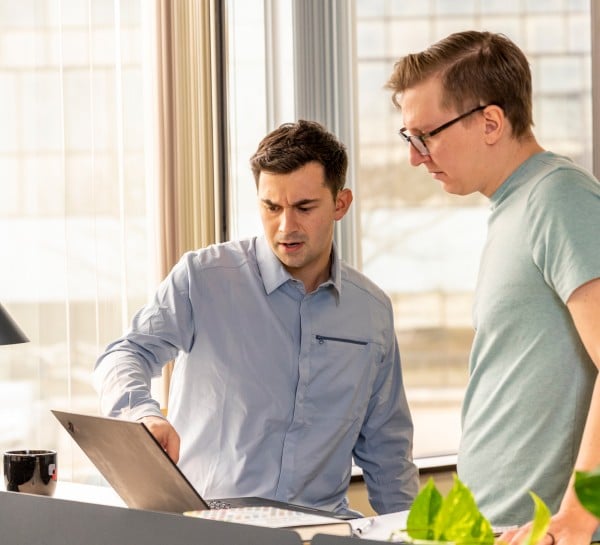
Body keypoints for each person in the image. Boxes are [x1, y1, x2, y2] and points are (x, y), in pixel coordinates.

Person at [93, 119, 418, 516]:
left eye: (304, 207)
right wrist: (141, 414)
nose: (286, 226)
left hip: (320, 529)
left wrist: (417, 536)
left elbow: (387, 450)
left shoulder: (371, 311)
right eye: (272, 207)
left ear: (340, 204)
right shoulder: (203, 277)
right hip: (212, 524)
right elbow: (124, 354)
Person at [386, 31, 600, 544]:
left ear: (490, 122)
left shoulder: (559, 198)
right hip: (492, 528)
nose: (416, 157)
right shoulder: (514, 208)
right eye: (408, 137)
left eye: (426, 135)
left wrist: (578, 516)